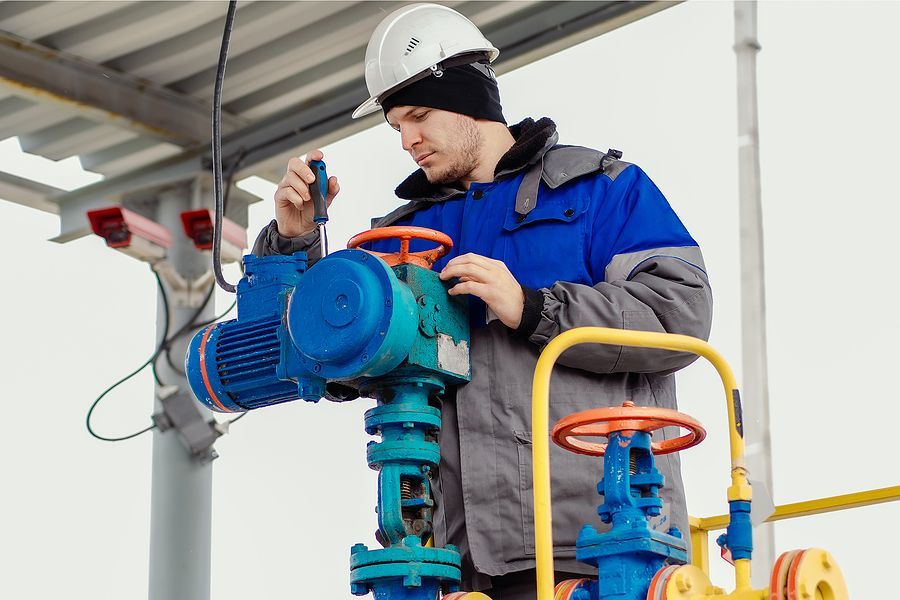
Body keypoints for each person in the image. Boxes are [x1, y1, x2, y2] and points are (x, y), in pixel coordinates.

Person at [252, 4, 713, 598]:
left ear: (472, 96)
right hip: (450, 562)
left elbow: (679, 313)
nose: (408, 139)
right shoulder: (402, 240)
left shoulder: (602, 191)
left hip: (597, 548)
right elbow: (325, 364)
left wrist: (536, 307)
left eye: (419, 115)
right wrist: (293, 244)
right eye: (396, 126)